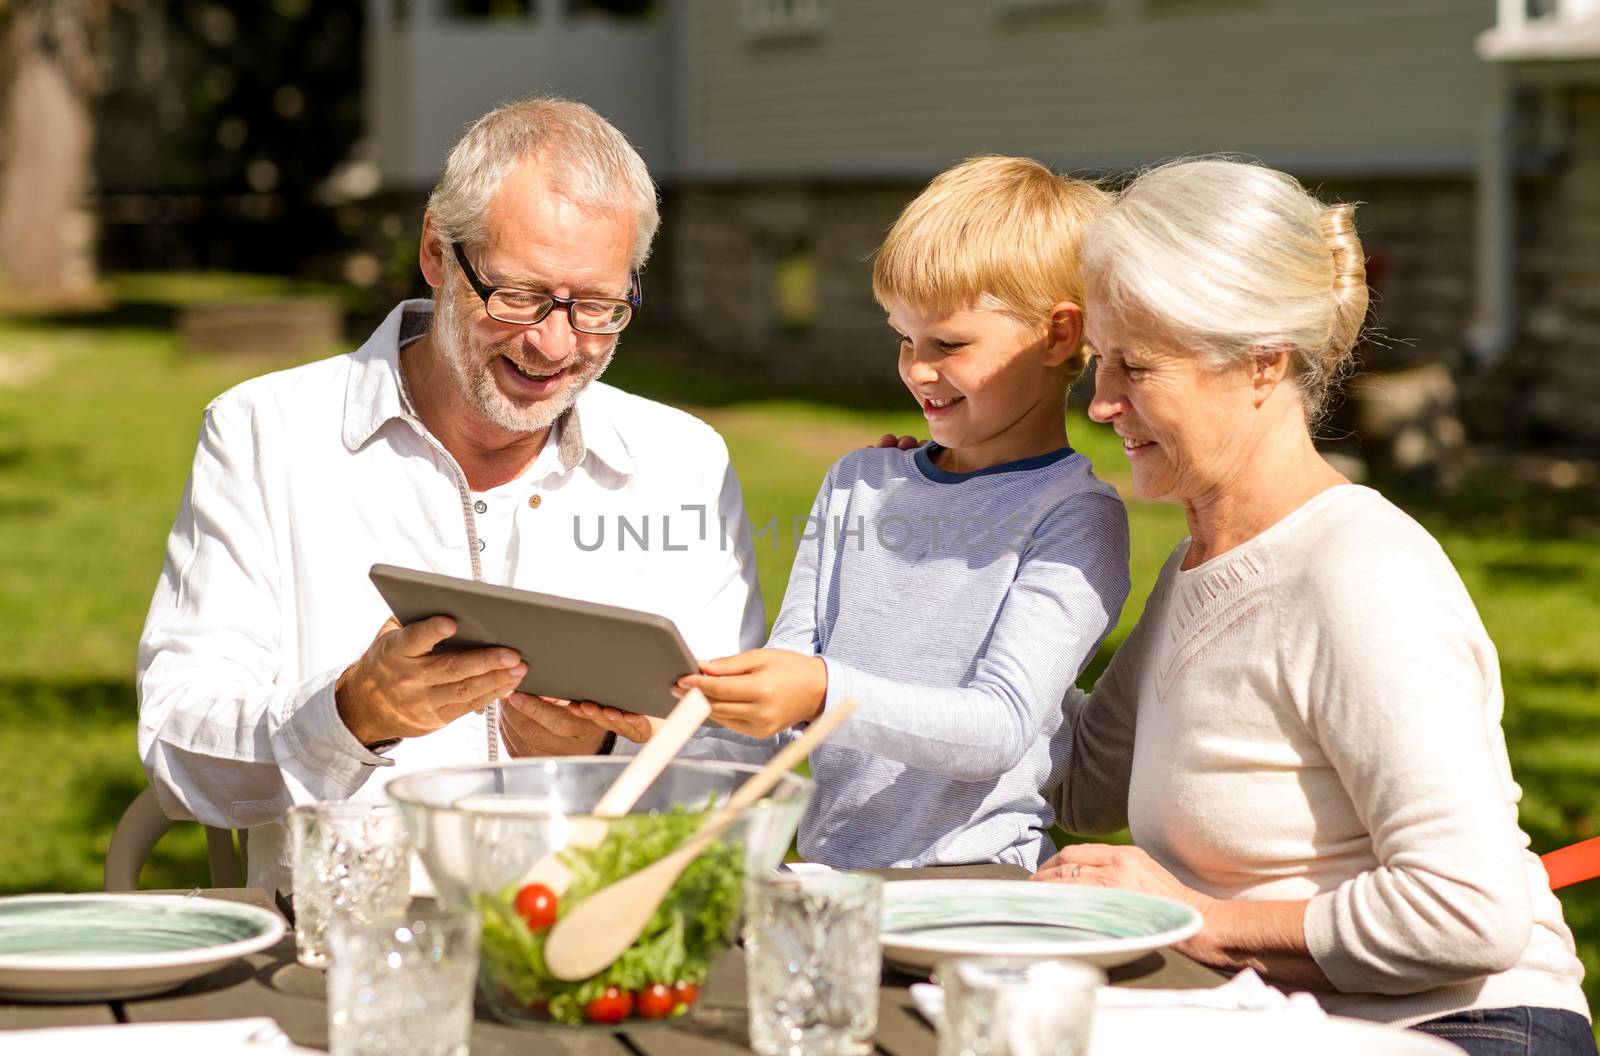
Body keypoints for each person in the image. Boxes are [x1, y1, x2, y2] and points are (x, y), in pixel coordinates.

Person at [136, 97, 763, 895]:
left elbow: (748, 767)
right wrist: (346, 717)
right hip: (361, 947)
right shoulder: (266, 434)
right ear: (437, 250)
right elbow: (177, 752)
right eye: (520, 296)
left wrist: (607, 756)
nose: (555, 344)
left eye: (598, 307)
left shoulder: (682, 462)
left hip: (601, 950)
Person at [1034, 158, 1593, 1052]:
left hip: (1467, 1030)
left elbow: (1468, 910)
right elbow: (1086, 784)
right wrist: (951, 581)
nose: (1100, 403)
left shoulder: (1357, 575)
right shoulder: (1205, 561)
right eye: (1101, 363)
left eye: (1136, 367)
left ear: (1262, 362)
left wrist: (1201, 920)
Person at [582, 156, 1131, 870]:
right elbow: (787, 704)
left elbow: (998, 729)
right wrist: (673, 722)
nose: (916, 369)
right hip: (829, 871)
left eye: (948, 344)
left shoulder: (1075, 518)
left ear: (1059, 336)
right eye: (903, 338)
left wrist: (821, 690)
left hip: (975, 879)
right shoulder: (857, 485)